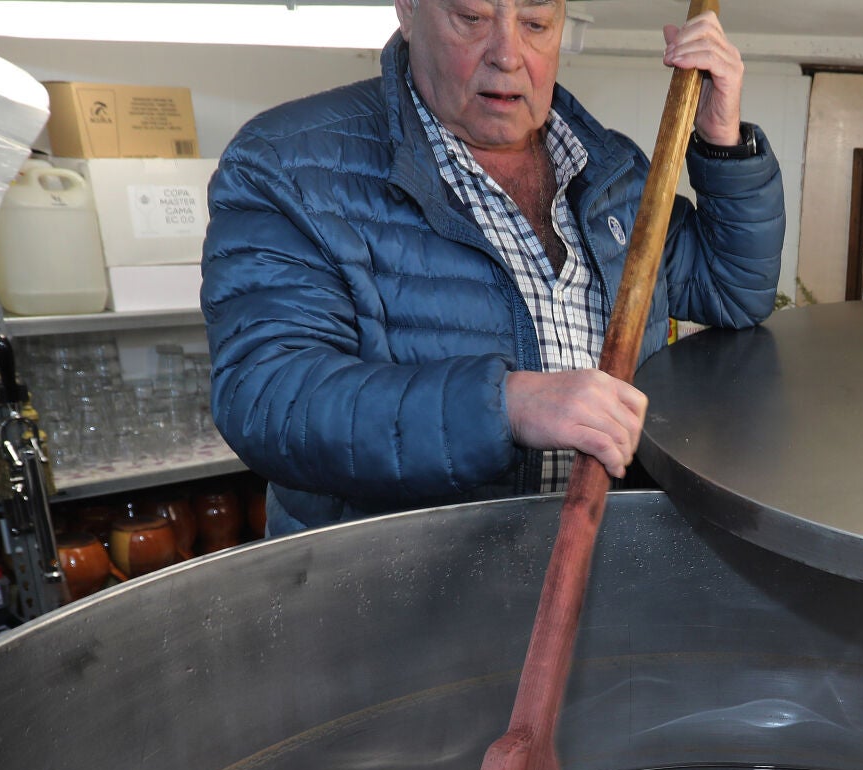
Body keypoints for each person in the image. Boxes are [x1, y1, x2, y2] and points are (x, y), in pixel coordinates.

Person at [202, 0, 786, 535]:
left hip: (601, 570)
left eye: (535, 24)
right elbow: (269, 398)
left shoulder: (612, 172)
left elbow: (731, 290)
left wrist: (722, 140)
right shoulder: (290, 165)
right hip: (399, 594)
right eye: (471, 17)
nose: (508, 55)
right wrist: (505, 406)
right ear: (408, 10)